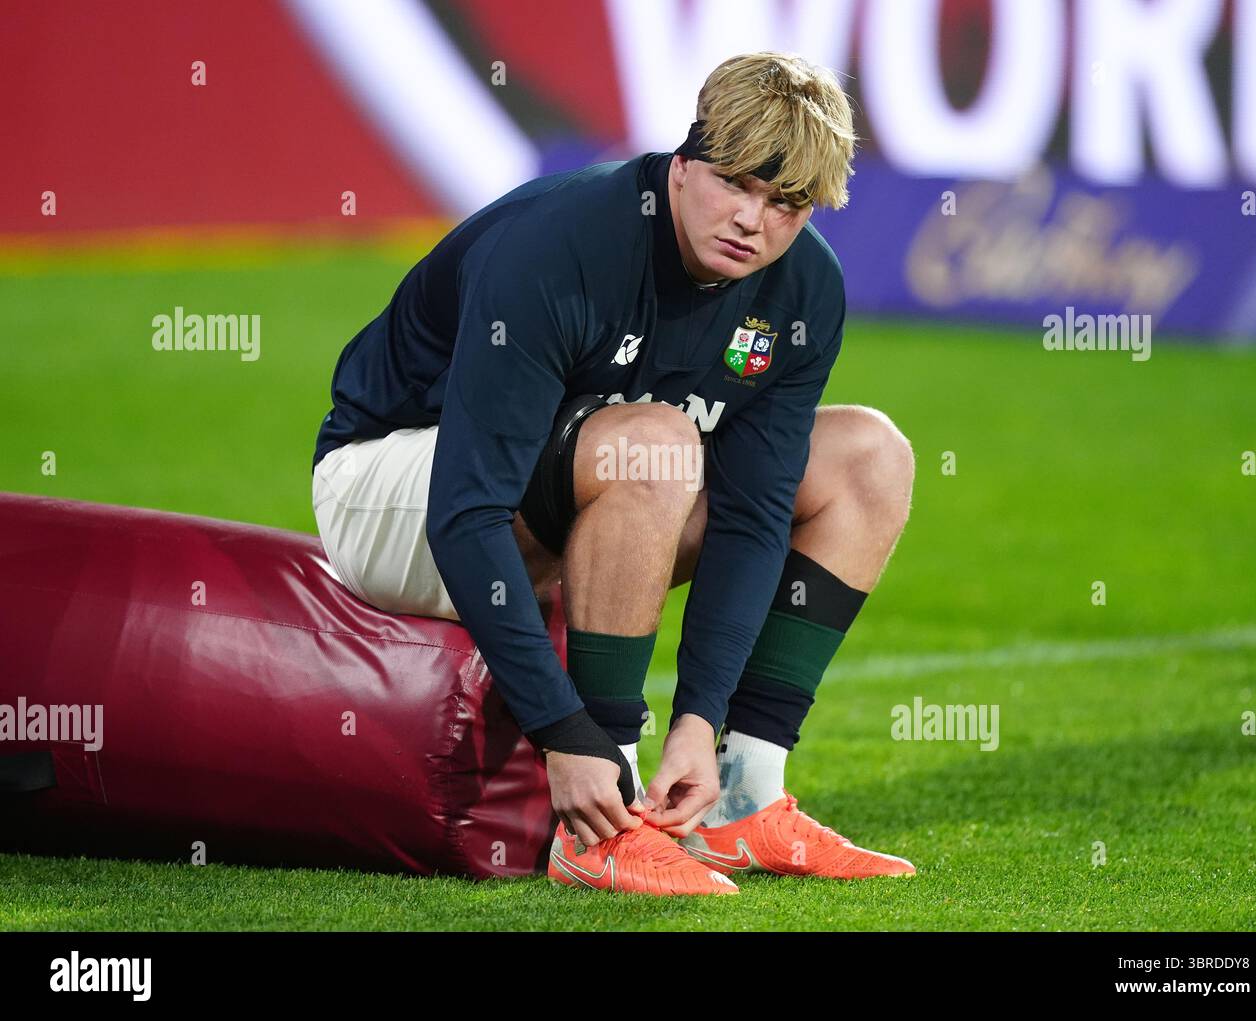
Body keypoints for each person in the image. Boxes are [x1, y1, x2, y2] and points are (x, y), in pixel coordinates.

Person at [311, 51, 916, 895]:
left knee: (869, 457)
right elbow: (465, 512)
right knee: (659, 441)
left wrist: (700, 719)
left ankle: (742, 795)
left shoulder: (803, 286)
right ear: (685, 160)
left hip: (583, 495)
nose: (753, 219)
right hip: (395, 489)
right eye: (736, 182)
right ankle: (602, 818)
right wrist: (565, 733)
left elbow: (752, 513)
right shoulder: (561, 245)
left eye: (786, 203)